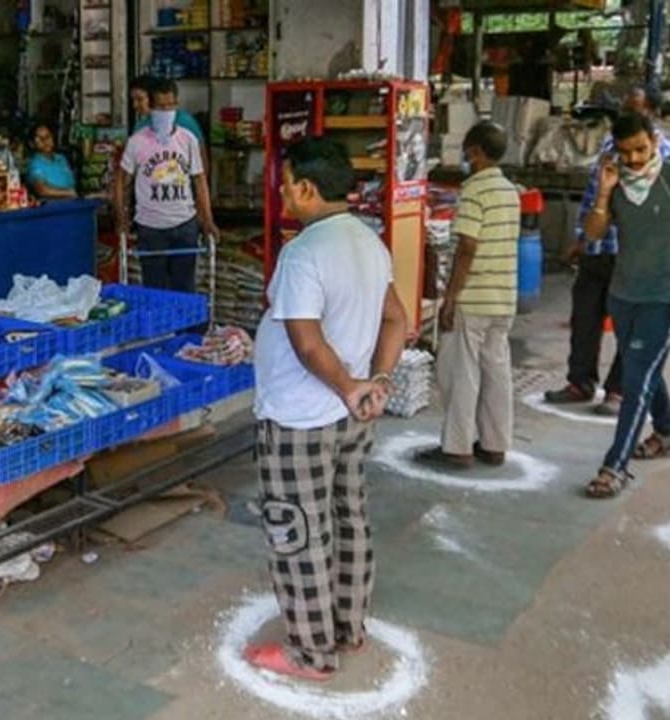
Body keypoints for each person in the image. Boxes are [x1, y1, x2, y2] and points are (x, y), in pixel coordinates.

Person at [245, 137, 407, 681]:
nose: (283, 195)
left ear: (308, 188)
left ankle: (311, 652)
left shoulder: (304, 253)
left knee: (297, 529)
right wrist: (374, 383)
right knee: (347, 516)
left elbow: (307, 343)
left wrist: (348, 386)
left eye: (287, 185)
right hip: (349, 417)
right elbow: (396, 320)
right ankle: (348, 627)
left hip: (300, 418)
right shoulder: (369, 242)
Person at [581, 112, 670, 499]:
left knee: (636, 380)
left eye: (641, 149)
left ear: (656, 141)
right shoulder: (615, 181)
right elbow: (593, 234)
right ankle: (667, 429)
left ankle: (614, 466)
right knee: (640, 367)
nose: (633, 160)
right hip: (623, 294)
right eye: (625, 152)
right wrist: (603, 193)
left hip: (664, 300)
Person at [544, 85, 670, 416]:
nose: (627, 114)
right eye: (624, 109)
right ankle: (580, 381)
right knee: (585, 317)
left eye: (635, 109)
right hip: (601, 247)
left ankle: (618, 390)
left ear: (652, 115)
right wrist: (581, 239)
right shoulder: (612, 146)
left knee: (629, 326)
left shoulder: (669, 158)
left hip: (638, 258)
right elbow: (596, 195)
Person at [418, 122, 520, 469]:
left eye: (467, 151)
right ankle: (494, 444)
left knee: (460, 373)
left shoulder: (474, 190)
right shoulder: (509, 190)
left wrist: (451, 298)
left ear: (474, 152)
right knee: (496, 372)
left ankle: (457, 447)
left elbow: (467, 247)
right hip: (504, 298)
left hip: (474, 298)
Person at [113, 81, 219, 293]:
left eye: (171, 106)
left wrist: (207, 220)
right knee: (155, 289)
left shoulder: (187, 140)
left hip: (184, 224)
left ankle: (185, 328)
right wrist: (121, 217)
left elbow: (200, 181)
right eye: (161, 107)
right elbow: (120, 182)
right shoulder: (137, 142)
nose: (166, 112)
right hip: (151, 227)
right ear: (150, 107)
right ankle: (161, 328)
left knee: (185, 287)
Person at [129, 75, 206, 145]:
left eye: (140, 99)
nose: (135, 105)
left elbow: (200, 156)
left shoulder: (184, 121)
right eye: (133, 100)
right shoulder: (140, 126)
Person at [24, 122, 77, 199]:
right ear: (32, 144)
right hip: (51, 208)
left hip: (72, 204)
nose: (45, 141)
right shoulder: (35, 164)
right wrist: (69, 192)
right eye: (40, 138)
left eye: (48, 136)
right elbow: (42, 190)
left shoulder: (61, 158)